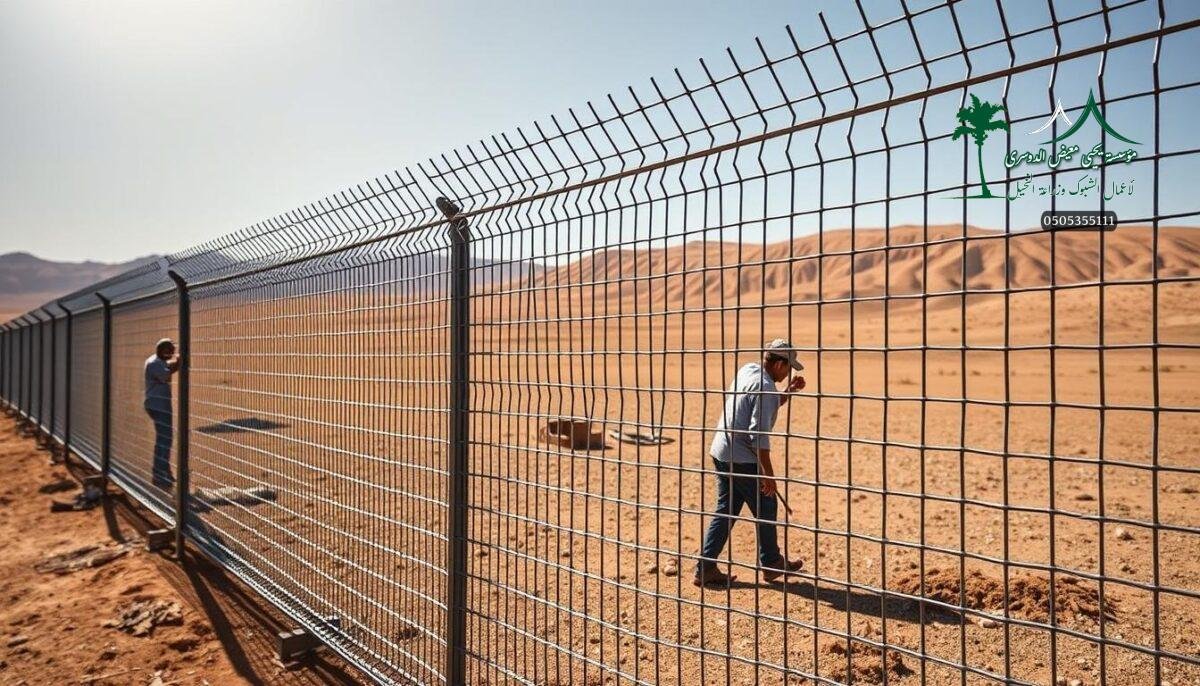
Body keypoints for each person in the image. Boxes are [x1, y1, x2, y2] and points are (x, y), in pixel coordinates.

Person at [694, 338, 806, 588]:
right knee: (766, 503)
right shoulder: (766, 388)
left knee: (727, 509)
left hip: (722, 450)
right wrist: (768, 475)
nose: (788, 373)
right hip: (742, 457)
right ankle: (771, 563)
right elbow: (758, 437)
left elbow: (754, 404)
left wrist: (786, 393)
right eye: (788, 367)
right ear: (778, 364)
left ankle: (706, 566)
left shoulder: (749, 370)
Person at [145, 338, 180, 490]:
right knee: (164, 439)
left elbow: (167, 366)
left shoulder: (157, 360)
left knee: (165, 438)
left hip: (159, 404)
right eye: (170, 351)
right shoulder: (154, 364)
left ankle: (163, 470)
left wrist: (176, 362)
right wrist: (179, 363)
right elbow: (166, 374)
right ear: (161, 350)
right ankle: (159, 474)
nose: (172, 355)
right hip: (158, 406)